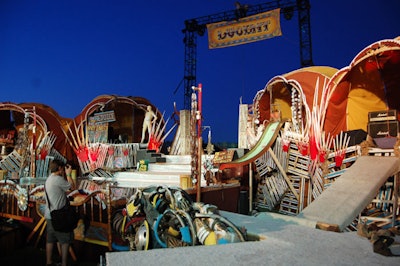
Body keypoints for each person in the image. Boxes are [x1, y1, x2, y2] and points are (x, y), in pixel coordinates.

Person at [45, 159, 74, 266]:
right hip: (59, 215)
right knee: (65, 241)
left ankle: (48, 262)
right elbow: (72, 187)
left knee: (50, 240)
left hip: (49, 214)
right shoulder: (58, 179)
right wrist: (69, 174)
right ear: (60, 168)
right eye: (63, 168)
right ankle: (64, 264)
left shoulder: (49, 179)